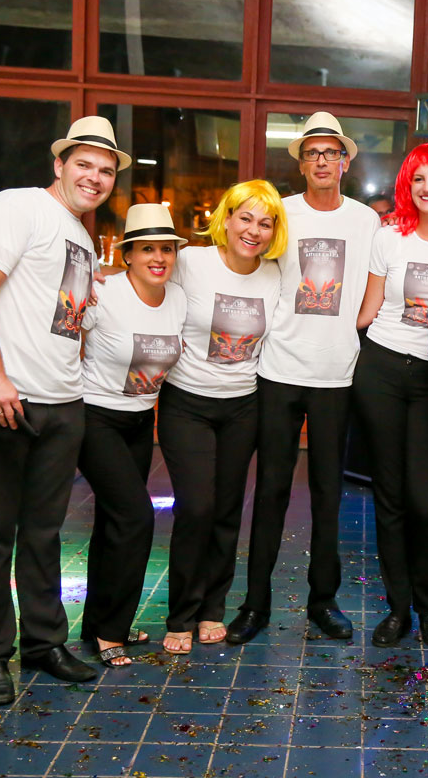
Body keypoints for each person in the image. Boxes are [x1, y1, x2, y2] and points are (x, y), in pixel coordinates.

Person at [0, 115, 131, 705]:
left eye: (105, 171)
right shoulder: (17, 206)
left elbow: (64, 318)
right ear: (59, 164)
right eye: (84, 164)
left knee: (44, 534)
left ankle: (44, 644)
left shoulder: (80, 236)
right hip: (1, 399)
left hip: (62, 403)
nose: (94, 177)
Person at [228, 112, 380, 645]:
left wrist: (354, 327)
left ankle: (323, 601)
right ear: (300, 163)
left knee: (327, 495)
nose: (321, 161)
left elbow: (377, 284)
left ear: (344, 162)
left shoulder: (365, 221)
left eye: (330, 152)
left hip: (336, 373)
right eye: (311, 152)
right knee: (270, 489)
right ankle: (255, 604)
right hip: (278, 368)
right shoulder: (282, 214)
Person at [157, 180, 286, 656]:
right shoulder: (191, 261)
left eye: (265, 223)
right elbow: (146, 287)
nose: (253, 230)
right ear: (226, 219)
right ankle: (181, 615)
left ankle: (212, 607)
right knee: (196, 507)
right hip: (186, 401)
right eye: (245, 218)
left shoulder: (274, 275)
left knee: (227, 510)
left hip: (243, 406)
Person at [354, 144, 428, 649]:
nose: (427, 187)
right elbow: (368, 309)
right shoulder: (388, 238)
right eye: (419, 178)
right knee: (389, 497)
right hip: (381, 367)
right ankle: (398, 609)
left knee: (425, 500)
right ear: (408, 186)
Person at [76, 203, 187, 667]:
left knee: (112, 524)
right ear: (128, 255)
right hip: (95, 418)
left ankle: (96, 625)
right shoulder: (104, 294)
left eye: (166, 249)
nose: (158, 258)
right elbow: (59, 334)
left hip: (141, 421)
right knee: (135, 518)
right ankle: (111, 631)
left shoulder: (177, 298)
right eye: (147, 249)